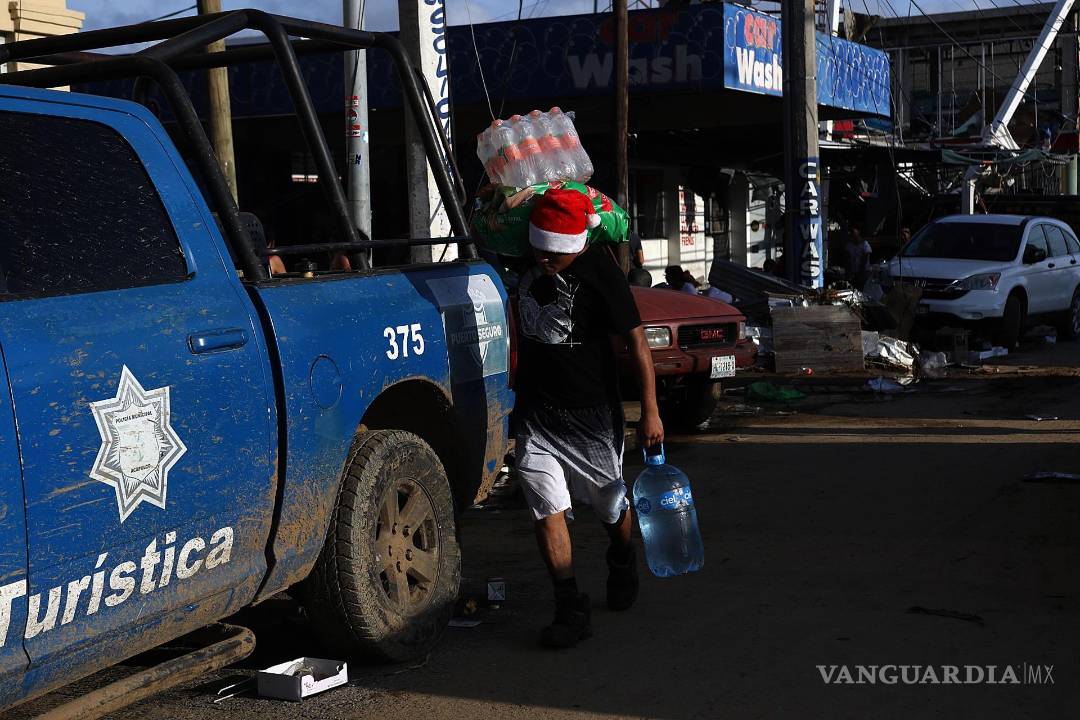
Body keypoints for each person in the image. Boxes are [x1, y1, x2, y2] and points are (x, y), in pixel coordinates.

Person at [513, 188, 664, 648]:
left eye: (553, 252)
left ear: (576, 244)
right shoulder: (523, 258)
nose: (544, 259)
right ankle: (569, 605)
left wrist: (650, 411)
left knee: (609, 506)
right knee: (547, 510)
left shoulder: (600, 269)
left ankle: (622, 555)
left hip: (592, 415)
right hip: (536, 413)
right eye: (539, 249)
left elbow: (637, 343)